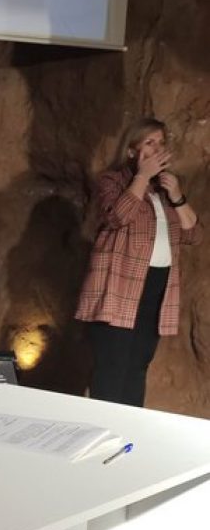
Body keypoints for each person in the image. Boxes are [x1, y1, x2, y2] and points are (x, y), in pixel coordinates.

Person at [75, 118, 201, 406]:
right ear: (132, 150)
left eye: (161, 143)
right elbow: (117, 216)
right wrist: (142, 177)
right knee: (112, 368)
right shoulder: (112, 181)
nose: (157, 149)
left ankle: (130, 427)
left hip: (155, 289)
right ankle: (105, 427)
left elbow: (194, 234)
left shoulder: (163, 191)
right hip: (119, 288)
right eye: (149, 142)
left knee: (137, 366)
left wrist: (178, 197)